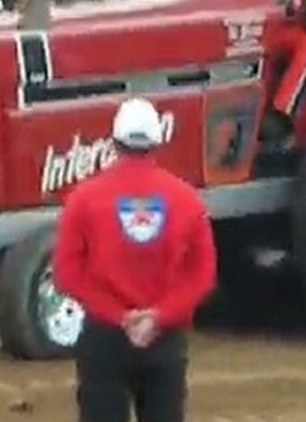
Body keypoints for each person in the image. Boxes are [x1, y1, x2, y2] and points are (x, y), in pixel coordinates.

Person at [53, 97, 217, 422]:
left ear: (114, 142)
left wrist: (119, 316)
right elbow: (203, 274)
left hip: (105, 338)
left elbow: (67, 274)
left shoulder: (83, 199)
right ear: (157, 141)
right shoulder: (186, 199)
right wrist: (159, 316)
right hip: (164, 339)